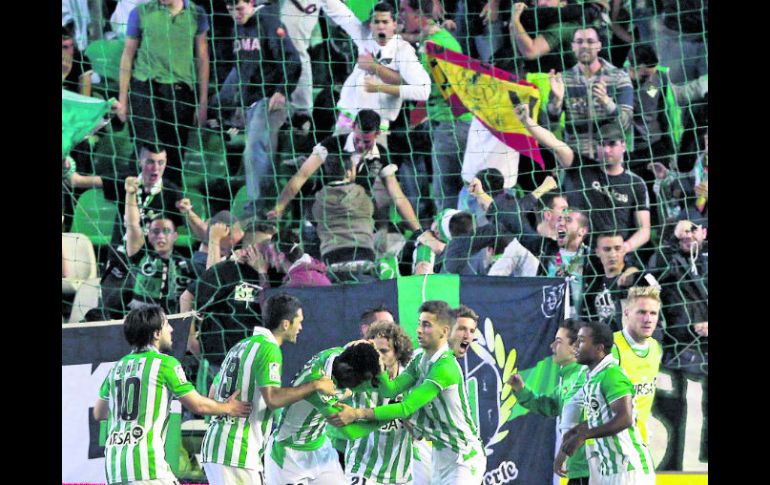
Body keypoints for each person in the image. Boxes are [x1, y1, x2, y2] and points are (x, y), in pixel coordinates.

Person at [327, 300, 486, 484]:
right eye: (419, 323)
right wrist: (377, 365)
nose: (419, 329)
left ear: (444, 331)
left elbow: (406, 408)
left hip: (463, 455)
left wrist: (356, 414)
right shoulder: (419, 357)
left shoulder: (445, 367)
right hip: (439, 454)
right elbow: (391, 390)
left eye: (426, 325)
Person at [93, 305, 252, 485]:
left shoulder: (116, 368)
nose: (171, 329)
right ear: (156, 334)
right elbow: (197, 405)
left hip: (115, 467)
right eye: (167, 324)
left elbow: (99, 413)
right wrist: (228, 408)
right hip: (148, 467)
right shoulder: (164, 364)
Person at [201, 293, 337, 485]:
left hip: (216, 446)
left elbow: (213, 393)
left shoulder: (241, 345)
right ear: (285, 324)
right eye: (299, 321)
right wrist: (316, 385)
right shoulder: (269, 349)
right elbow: (273, 398)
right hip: (238, 451)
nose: (301, 327)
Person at [269, 110, 436, 250]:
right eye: (357, 140)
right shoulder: (331, 146)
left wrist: (418, 231)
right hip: (323, 214)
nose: (361, 146)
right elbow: (301, 176)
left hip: (357, 218)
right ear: (353, 127)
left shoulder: (381, 156)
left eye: (367, 142)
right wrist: (279, 207)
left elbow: (398, 197)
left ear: (377, 134)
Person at [515, 103, 651, 252]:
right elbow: (554, 143)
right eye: (601, 144)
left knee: (645, 276)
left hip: (614, 257)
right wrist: (526, 121)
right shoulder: (580, 167)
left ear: (623, 145)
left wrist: (624, 248)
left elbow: (645, 230)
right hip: (576, 253)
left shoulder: (636, 184)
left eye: (612, 144)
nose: (606, 150)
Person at [210, 0, 302, 217]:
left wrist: (282, 90)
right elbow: (240, 70)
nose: (235, 13)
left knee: (254, 149)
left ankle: (257, 209)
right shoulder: (237, 27)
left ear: (251, 3)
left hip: (269, 99)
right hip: (248, 102)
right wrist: (225, 107)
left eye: (239, 8)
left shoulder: (269, 22)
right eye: (230, 9)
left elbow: (293, 60)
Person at [117, 0, 210, 187]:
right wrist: (123, 99)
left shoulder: (196, 14)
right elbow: (128, 55)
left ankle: (170, 211)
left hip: (179, 92)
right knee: (145, 150)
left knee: (173, 157)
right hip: (145, 88)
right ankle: (131, 208)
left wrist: (202, 102)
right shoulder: (141, 12)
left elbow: (202, 57)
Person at [264, 342, 384, 484]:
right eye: (362, 381)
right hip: (289, 455)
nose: (365, 386)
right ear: (348, 372)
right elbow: (351, 432)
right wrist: (385, 419)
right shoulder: (319, 387)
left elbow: (359, 351)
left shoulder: (338, 355)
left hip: (320, 448)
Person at [558, 320, 655, 485]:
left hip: (630, 471)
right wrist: (569, 441)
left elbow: (625, 418)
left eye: (581, 341)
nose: (575, 345)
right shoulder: (593, 377)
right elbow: (598, 418)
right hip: (610, 470)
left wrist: (583, 436)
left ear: (599, 348)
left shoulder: (612, 374)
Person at [399, 0, 473, 214]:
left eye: (404, 10)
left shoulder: (438, 45)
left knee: (446, 197)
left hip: (452, 126)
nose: (400, 15)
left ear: (418, 14)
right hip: (450, 124)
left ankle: (455, 243)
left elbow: (445, 88)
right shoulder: (435, 39)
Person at [100, 145, 185, 318]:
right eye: (150, 162)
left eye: (161, 162)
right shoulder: (125, 181)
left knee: (147, 318)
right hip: (119, 262)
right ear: (140, 161)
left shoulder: (172, 192)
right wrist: (67, 164)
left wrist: (188, 212)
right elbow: (78, 181)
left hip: (151, 268)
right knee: (111, 314)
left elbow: (173, 234)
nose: (156, 168)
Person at [331, 1, 431, 141]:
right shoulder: (364, 37)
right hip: (348, 119)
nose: (381, 26)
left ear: (394, 24)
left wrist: (378, 82)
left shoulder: (403, 51)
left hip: (376, 129)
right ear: (370, 25)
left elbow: (423, 91)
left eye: (385, 22)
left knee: (372, 162)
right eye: (376, 22)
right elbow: (339, 13)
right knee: (334, 159)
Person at [507, 319, 589, 484]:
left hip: (591, 470)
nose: (552, 346)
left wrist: (563, 452)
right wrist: (521, 390)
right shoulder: (569, 378)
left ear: (575, 347)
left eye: (558, 342)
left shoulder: (587, 376)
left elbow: (596, 420)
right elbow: (550, 406)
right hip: (578, 470)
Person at [345, 321, 416, 485]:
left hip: (399, 477)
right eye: (374, 351)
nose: (378, 357)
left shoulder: (410, 382)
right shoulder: (360, 376)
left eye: (383, 351)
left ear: (398, 353)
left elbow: (418, 434)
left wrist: (407, 416)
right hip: (362, 470)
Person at [546, 26, 634, 158]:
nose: (584, 46)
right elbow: (551, 125)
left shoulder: (619, 77)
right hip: (576, 159)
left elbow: (626, 124)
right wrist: (556, 103)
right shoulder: (563, 80)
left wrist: (607, 103)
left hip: (609, 158)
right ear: (573, 47)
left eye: (590, 41)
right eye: (579, 42)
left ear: (599, 46)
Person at [124, 176, 195, 314]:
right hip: (141, 320)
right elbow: (132, 225)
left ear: (175, 236)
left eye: (166, 231)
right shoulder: (140, 256)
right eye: (155, 231)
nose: (161, 236)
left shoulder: (186, 265)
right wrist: (130, 194)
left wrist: (188, 212)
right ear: (148, 235)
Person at [646, 220, 707, 373]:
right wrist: (673, 239)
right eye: (683, 233)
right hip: (683, 350)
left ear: (704, 232)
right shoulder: (672, 262)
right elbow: (655, 271)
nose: (688, 235)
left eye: (693, 229)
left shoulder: (705, 263)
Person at [311, 153, 377, 283]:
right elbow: (374, 217)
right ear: (348, 172)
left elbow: (315, 221)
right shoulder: (364, 196)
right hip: (363, 254)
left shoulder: (317, 201)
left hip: (332, 257)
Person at [611, 286, 663, 446]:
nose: (648, 319)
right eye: (641, 312)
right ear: (626, 313)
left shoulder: (655, 348)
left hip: (640, 442)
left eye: (653, 313)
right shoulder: (610, 348)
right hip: (612, 444)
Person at [582, 233, 644, 332]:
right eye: (607, 249)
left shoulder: (634, 277)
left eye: (617, 248)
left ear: (624, 250)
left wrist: (634, 274)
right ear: (597, 252)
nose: (613, 254)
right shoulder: (593, 284)